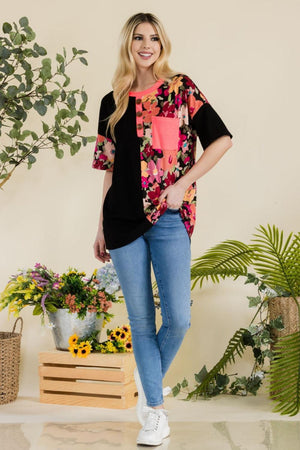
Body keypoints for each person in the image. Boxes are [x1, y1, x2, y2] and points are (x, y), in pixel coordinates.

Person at [93, 12, 233, 447]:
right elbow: (110, 170)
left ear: (162, 43)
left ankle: (147, 376)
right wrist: (98, 225)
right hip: (120, 222)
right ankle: (155, 411)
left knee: (178, 317)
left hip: (170, 217)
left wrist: (182, 183)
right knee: (140, 319)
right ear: (128, 44)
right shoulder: (111, 101)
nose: (147, 45)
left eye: (154, 37)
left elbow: (222, 139)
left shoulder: (181, 89)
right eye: (138, 37)